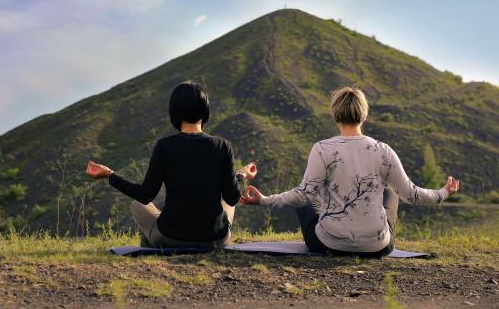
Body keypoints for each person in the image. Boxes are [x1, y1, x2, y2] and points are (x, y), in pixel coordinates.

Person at [241, 86, 460, 257]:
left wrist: (263, 200)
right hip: (377, 248)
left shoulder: (322, 148)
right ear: (364, 114)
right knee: (392, 192)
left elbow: (304, 195)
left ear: (335, 114)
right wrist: (443, 193)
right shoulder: (383, 151)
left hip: (328, 245)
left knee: (306, 196)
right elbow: (411, 194)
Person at [86, 80, 257, 248]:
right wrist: (242, 175)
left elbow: (145, 195)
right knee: (227, 204)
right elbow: (232, 197)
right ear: (205, 110)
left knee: (137, 205)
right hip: (215, 241)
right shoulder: (222, 146)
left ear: (174, 112)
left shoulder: (164, 146)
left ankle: (151, 242)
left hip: (171, 238)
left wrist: (110, 175)